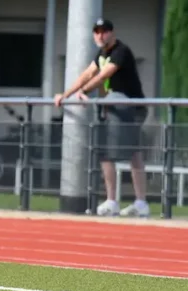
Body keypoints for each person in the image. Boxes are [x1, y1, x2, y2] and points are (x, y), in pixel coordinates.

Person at [55, 18, 150, 218]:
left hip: (132, 107)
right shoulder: (101, 54)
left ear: (112, 33)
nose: (101, 35)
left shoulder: (121, 51)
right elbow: (88, 74)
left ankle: (141, 202)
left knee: (133, 153)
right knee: (107, 152)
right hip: (114, 107)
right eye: (97, 31)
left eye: (105, 31)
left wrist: (85, 91)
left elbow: (104, 75)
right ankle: (112, 201)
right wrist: (65, 95)